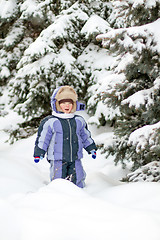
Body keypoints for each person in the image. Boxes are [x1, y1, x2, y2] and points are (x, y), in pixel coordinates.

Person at [33, 85, 97, 188]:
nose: (67, 106)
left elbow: (85, 136)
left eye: (70, 103)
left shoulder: (78, 120)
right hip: (57, 158)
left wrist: (91, 148)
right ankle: (58, 194)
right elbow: (43, 139)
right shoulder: (51, 121)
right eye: (63, 103)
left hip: (75, 157)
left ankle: (81, 195)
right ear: (56, 104)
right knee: (58, 179)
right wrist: (39, 152)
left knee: (78, 176)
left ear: (74, 104)